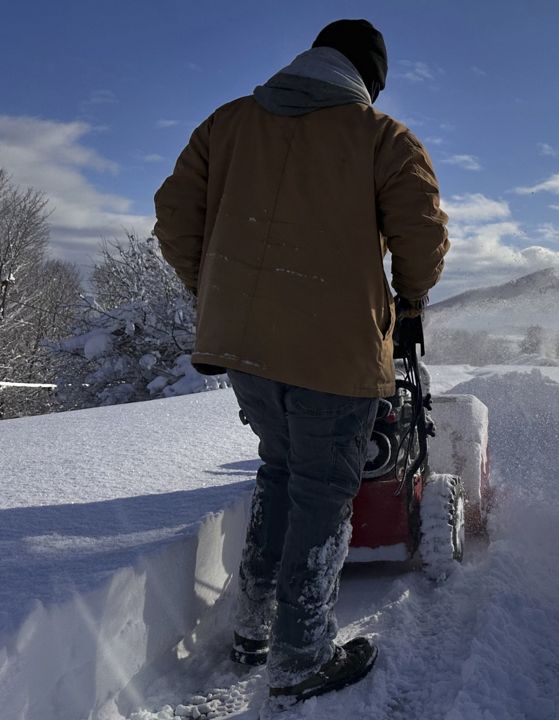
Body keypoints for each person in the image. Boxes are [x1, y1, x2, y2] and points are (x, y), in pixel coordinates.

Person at [153, 18, 449, 709]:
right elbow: (422, 234)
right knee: (322, 488)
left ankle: (254, 628)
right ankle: (301, 654)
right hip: (336, 351)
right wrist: (409, 304)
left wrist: (215, 292)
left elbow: (174, 216)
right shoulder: (381, 138)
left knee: (282, 470)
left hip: (247, 351)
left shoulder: (226, 125)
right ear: (366, 79)